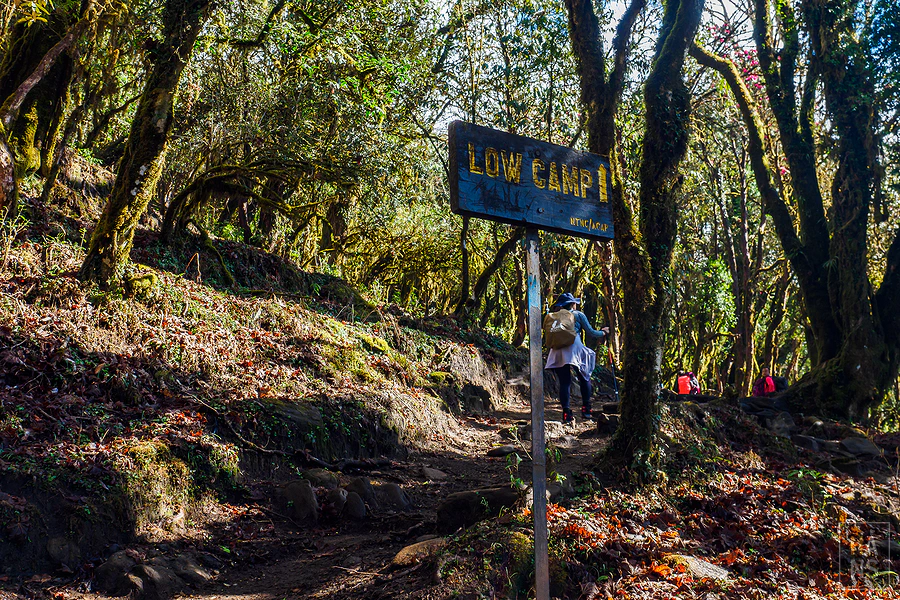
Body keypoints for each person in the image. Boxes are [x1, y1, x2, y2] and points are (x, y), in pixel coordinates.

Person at [544, 292, 608, 423]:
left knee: (565, 382)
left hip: (558, 350)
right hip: (574, 347)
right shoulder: (578, 315)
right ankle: (586, 409)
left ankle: (566, 413)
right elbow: (591, 333)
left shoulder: (554, 317)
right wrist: (604, 332)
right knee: (584, 377)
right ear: (572, 304)